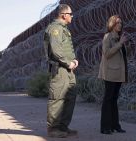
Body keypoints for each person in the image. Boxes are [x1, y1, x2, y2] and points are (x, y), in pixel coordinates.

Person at [44, 4, 79, 138]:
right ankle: (53, 129)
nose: (72, 16)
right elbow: (56, 50)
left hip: (68, 70)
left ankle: (63, 127)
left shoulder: (64, 29)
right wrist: (68, 63)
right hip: (60, 70)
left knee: (71, 96)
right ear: (64, 15)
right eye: (70, 14)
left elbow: (65, 50)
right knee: (57, 98)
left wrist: (74, 61)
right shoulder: (55, 29)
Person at [98, 15, 130, 134]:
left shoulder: (119, 37)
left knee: (114, 99)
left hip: (118, 73)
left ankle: (115, 125)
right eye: (117, 23)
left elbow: (124, 55)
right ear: (112, 24)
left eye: (121, 23)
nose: (120, 25)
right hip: (110, 72)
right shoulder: (108, 37)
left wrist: (126, 45)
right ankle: (105, 127)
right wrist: (120, 44)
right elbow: (107, 53)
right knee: (108, 99)